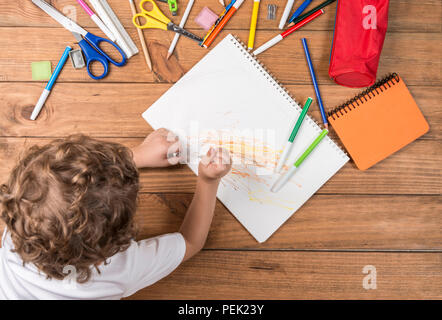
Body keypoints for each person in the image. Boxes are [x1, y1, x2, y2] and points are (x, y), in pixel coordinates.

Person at [0, 129, 231, 299]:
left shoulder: (21, 222)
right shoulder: (119, 270)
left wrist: (137, 156)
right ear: (107, 253)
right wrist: (208, 181)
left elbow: (65, 190)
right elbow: (191, 242)